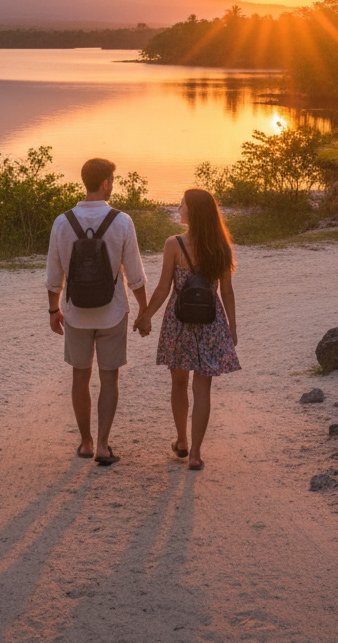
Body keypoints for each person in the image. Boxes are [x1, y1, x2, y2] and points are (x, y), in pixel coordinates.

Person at [46, 157, 148, 466]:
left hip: (76, 313)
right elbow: (135, 274)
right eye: (112, 180)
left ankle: (86, 443)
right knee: (109, 378)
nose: (113, 185)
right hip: (112, 313)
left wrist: (54, 310)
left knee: (80, 376)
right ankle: (104, 445)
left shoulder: (63, 222)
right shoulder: (122, 221)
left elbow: (54, 276)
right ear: (104, 183)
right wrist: (144, 310)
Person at [134, 188, 239, 470]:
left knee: (178, 383)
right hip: (211, 323)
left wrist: (146, 316)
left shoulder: (174, 244)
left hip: (178, 322)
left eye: (182, 205)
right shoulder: (221, 247)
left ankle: (181, 441)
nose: (179, 208)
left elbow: (163, 288)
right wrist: (232, 328)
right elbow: (226, 293)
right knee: (202, 388)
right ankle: (195, 454)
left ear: (192, 211)